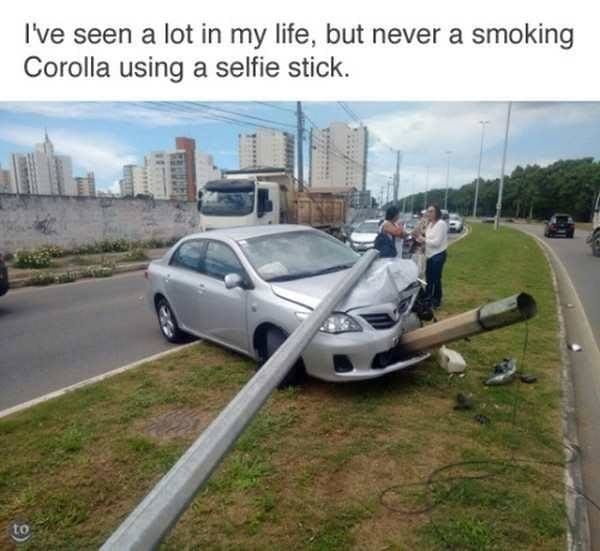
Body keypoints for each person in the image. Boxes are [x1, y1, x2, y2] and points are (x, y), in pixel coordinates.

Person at [417, 204, 448, 309]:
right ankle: (429, 298)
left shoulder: (441, 224)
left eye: (431, 211)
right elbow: (427, 238)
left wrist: (423, 239)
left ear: (437, 212)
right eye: (428, 211)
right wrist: (420, 240)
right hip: (430, 255)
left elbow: (437, 242)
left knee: (435, 279)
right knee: (429, 278)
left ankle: (436, 300)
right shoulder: (429, 224)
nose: (429, 213)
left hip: (438, 255)